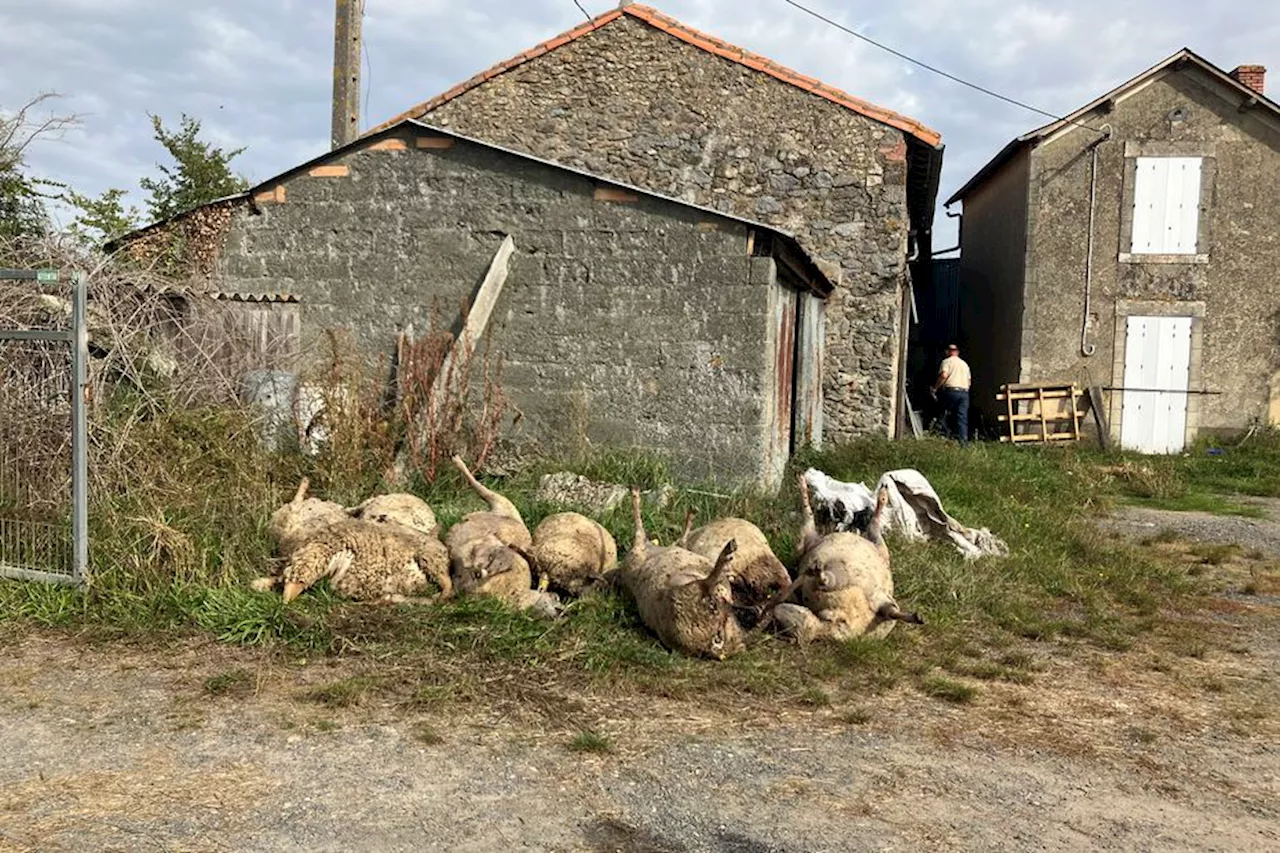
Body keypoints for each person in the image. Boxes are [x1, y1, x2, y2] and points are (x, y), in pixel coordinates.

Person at [931, 344, 971, 445]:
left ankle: (944, 436)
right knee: (962, 417)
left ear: (947, 352)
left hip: (951, 391)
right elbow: (969, 381)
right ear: (957, 352)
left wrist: (935, 388)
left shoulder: (946, 362)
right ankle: (963, 442)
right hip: (964, 392)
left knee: (944, 413)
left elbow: (944, 375)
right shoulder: (964, 364)